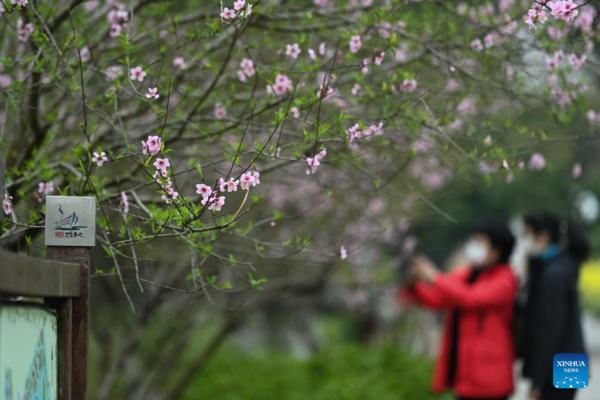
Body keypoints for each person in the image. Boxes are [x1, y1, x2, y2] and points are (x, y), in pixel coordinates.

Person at [400, 219, 518, 400]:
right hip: (466, 372)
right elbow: (437, 298)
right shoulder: (467, 274)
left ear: (497, 249)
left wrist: (433, 275)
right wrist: (414, 283)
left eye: (481, 242)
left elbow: (470, 298)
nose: (474, 247)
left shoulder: (505, 279)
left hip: (489, 375)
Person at [520, 212, 590, 400]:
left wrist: (538, 381)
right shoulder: (563, 267)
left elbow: (549, 332)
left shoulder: (553, 276)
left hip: (559, 364)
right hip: (572, 361)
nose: (525, 241)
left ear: (543, 236)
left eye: (527, 235)